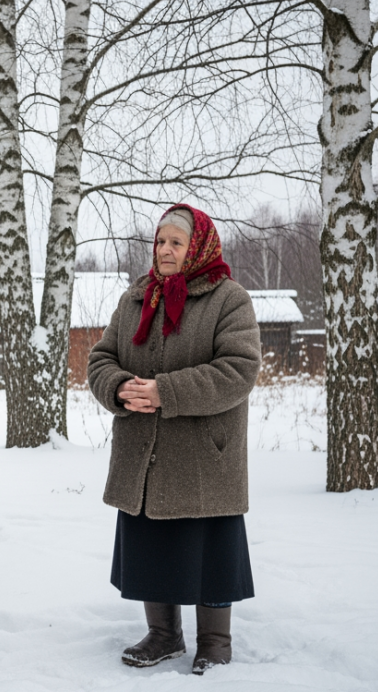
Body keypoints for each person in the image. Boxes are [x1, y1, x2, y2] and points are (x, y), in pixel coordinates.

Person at [87, 204, 262, 675]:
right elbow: (101, 357)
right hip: (143, 449)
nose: (165, 250)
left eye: (176, 243)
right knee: (151, 542)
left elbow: (239, 369)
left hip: (205, 451)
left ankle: (215, 642)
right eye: (160, 241)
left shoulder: (230, 298)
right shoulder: (136, 297)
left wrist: (167, 391)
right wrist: (118, 387)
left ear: (198, 246)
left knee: (209, 548)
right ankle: (163, 635)